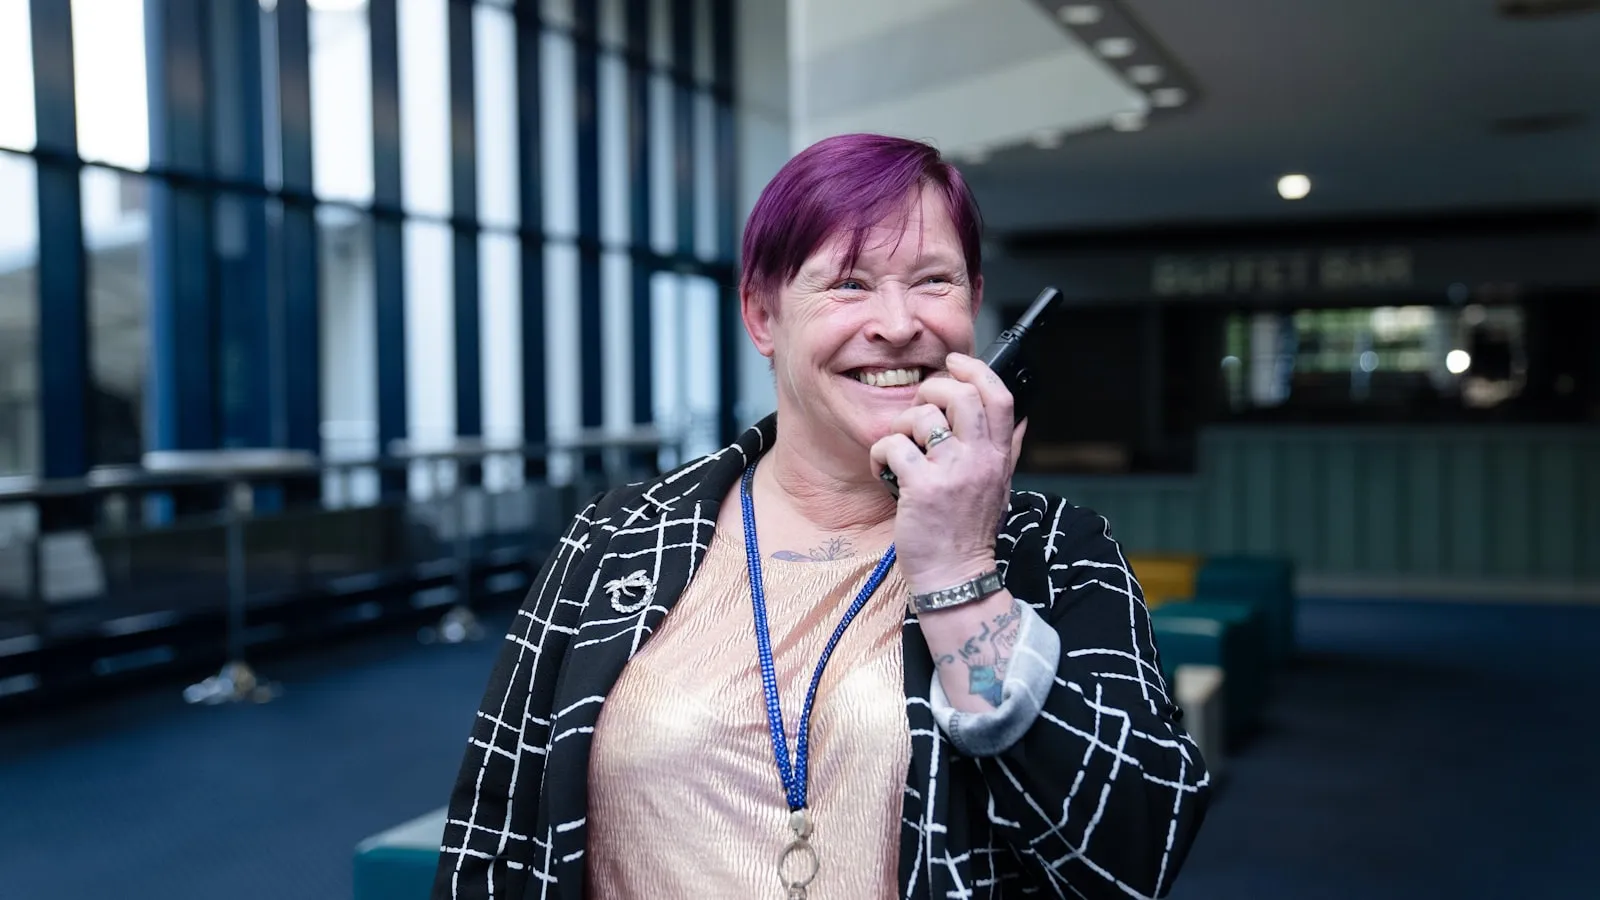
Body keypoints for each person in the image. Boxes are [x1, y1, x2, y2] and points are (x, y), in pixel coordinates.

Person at [432, 133, 1210, 900]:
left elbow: (1132, 858)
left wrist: (958, 572)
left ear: (976, 303)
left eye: (933, 281)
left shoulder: (1053, 551)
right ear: (763, 315)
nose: (898, 323)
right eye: (849, 283)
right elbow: (494, 837)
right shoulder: (616, 540)